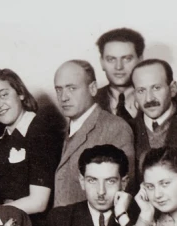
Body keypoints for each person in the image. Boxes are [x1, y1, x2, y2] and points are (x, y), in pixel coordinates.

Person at [0, 68, 61, 226]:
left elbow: (39, 202)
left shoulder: (41, 131)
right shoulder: (1, 137)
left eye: (3, 95)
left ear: (21, 94)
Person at [52, 59, 135, 207]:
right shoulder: (65, 129)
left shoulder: (115, 127)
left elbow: (122, 192)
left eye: (71, 88)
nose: (63, 97)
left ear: (93, 88)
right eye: (59, 90)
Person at [130, 58, 177, 193]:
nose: (149, 98)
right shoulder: (125, 129)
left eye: (156, 88)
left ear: (173, 89)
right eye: (141, 91)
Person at [94, 28, 145, 122]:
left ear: (140, 60)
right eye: (111, 59)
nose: (118, 67)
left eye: (127, 59)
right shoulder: (90, 100)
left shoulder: (161, 96)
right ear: (102, 63)